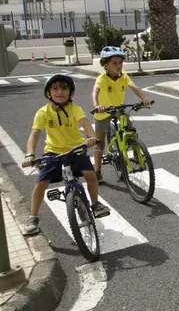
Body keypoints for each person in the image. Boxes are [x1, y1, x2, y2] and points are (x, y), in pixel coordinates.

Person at [21, 75, 111, 236]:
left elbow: (84, 123)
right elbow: (34, 135)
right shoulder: (43, 112)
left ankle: (96, 204)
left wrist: (91, 138)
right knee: (40, 183)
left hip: (76, 149)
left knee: (91, 175)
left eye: (64, 88)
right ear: (48, 93)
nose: (60, 92)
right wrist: (29, 154)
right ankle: (33, 216)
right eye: (55, 89)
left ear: (70, 93)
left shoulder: (74, 109)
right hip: (53, 152)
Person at [92, 46, 152, 183]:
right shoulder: (102, 79)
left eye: (120, 62)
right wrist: (96, 106)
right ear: (105, 65)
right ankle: (97, 172)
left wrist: (143, 99)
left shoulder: (124, 77)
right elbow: (94, 92)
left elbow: (133, 87)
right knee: (99, 144)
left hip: (118, 109)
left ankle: (136, 150)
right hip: (103, 112)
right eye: (114, 63)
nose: (118, 66)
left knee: (130, 127)